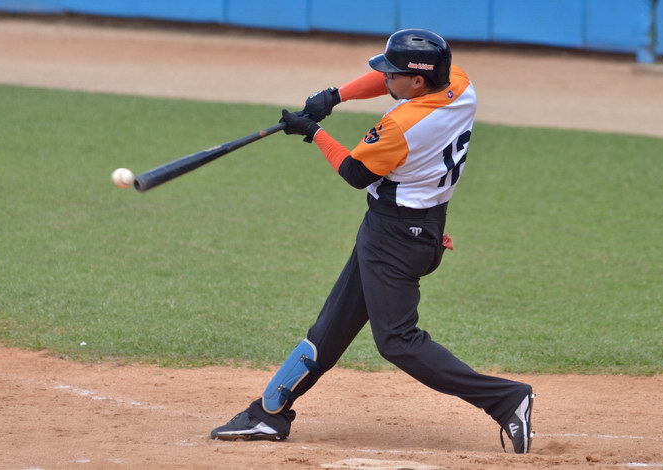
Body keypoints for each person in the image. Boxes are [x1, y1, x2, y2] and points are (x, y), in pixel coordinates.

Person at [210, 29, 535, 454]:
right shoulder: (458, 84)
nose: (385, 80)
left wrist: (312, 131)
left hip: (396, 235)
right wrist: (335, 95)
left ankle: (507, 398)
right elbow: (386, 87)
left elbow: (356, 173)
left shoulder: (401, 124)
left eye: (392, 74)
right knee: (332, 326)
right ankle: (269, 413)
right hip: (418, 224)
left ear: (417, 82)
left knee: (398, 341)